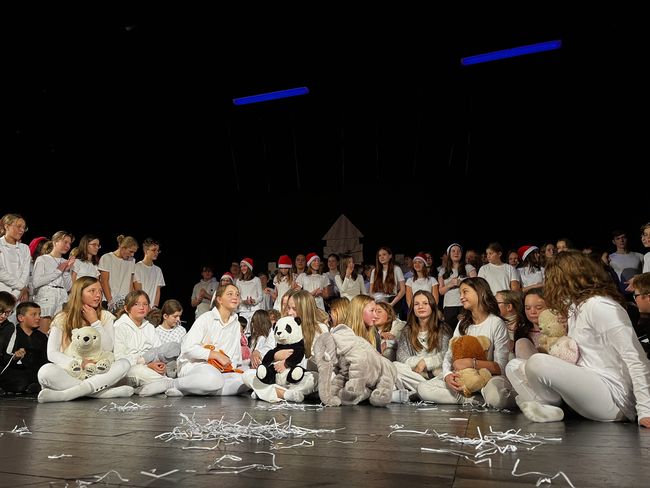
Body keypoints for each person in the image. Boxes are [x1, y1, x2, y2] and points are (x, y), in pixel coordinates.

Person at [505, 251, 650, 427]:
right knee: (514, 366)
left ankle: (546, 406)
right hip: (587, 389)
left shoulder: (601, 305)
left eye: (551, 279)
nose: (548, 285)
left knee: (537, 362)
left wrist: (645, 410)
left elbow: (635, 357)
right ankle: (550, 409)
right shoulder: (576, 308)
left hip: (613, 397)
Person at [417, 277, 515, 409]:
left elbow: (500, 367)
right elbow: (449, 356)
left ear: (480, 292)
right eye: (460, 294)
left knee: (498, 398)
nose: (461, 297)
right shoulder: (463, 324)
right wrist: (447, 376)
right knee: (423, 388)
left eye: (465, 292)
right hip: (463, 377)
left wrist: (471, 363)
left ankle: (482, 397)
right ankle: (473, 399)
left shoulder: (496, 323)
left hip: (488, 378)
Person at [141, 283, 249, 397]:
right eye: (230, 294)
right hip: (195, 365)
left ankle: (188, 390)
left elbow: (234, 356)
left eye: (237, 294)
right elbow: (188, 349)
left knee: (246, 379)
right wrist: (214, 355)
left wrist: (232, 369)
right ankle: (171, 384)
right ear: (219, 299)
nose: (235, 297)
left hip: (220, 370)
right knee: (214, 379)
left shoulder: (236, 324)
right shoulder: (206, 318)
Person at [37, 277, 133, 402]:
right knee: (45, 371)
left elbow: (108, 348)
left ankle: (67, 395)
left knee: (124, 364)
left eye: (100, 291)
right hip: (71, 370)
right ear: (79, 293)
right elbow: (52, 353)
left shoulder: (105, 316)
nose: (98, 295)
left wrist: (95, 322)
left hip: (97, 370)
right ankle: (100, 394)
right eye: (92, 291)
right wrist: (79, 362)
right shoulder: (62, 317)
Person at [113, 291, 180, 394]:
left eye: (145, 304)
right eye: (136, 304)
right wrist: (147, 365)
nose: (142, 307)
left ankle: (148, 389)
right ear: (127, 308)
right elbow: (120, 358)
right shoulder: (119, 326)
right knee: (139, 371)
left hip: (151, 369)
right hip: (130, 370)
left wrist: (160, 364)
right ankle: (173, 385)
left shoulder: (149, 327)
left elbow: (158, 350)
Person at [31, 231, 75, 334]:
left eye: (69, 243)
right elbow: (36, 282)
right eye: (65, 242)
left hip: (62, 298)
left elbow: (69, 287)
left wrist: (66, 271)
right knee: (43, 334)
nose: (68, 246)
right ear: (55, 242)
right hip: (47, 297)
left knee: (58, 333)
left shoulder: (66, 262)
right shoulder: (42, 259)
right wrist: (58, 271)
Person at [0, 301, 48, 394]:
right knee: (20, 380)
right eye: (34, 315)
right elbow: (5, 358)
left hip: (37, 372)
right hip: (17, 371)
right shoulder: (12, 333)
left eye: (39, 314)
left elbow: (45, 358)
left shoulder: (42, 337)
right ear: (21, 318)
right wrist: (15, 357)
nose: (38, 317)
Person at [98, 235, 138, 313]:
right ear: (122, 247)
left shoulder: (132, 260)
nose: (132, 255)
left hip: (124, 302)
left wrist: (129, 300)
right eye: (131, 251)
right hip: (109, 301)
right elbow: (104, 282)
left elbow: (130, 282)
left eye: (134, 252)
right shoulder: (107, 258)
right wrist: (110, 302)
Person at [134, 238, 165, 308]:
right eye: (154, 250)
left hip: (152, 309)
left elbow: (157, 291)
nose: (156, 252)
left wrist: (155, 306)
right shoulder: (137, 267)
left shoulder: (158, 270)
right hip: (140, 306)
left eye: (158, 250)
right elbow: (139, 291)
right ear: (146, 251)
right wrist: (146, 307)